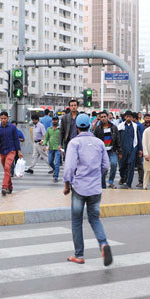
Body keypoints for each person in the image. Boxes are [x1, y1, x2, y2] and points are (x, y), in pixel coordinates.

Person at [62, 113, 112, 266]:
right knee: (95, 219)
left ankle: (79, 255)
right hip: (95, 189)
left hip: (79, 188)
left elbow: (69, 167)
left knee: (77, 221)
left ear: (77, 127)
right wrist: (97, 176)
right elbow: (106, 166)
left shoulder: (74, 143)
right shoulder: (99, 143)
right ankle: (103, 244)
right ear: (90, 126)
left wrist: (67, 185)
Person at [0, 111, 23, 196]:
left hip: (11, 150)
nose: (3, 120)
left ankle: (4, 187)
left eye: (5, 118)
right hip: (2, 151)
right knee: (6, 170)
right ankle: (10, 187)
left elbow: (16, 139)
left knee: (7, 168)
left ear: (7, 118)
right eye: (2, 118)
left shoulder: (12, 127)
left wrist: (19, 151)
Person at [93, 110, 120, 189]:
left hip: (112, 150)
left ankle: (111, 181)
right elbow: (94, 140)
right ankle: (103, 184)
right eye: (101, 117)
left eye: (105, 117)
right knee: (103, 168)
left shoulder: (113, 127)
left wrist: (119, 151)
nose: (103, 118)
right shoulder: (98, 129)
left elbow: (118, 139)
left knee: (114, 164)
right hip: (102, 152)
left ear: (107, 117)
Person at [119, 111, 142, 189]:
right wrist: (117, 149)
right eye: (127, 116)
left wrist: (140, 149)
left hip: (132, 149)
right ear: (125, 117)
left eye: (130, 117)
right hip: (123, 149)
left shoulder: (135, 126)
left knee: (131, 166)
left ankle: (129, 183)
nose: (128, 118)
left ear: (132, 118)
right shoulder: (120, 126)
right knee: (122, 166)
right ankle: (123, 177)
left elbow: (138, 138)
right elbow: (117, 138)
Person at [44, 116, 62, 182]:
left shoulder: (60, 129)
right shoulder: (49, 129)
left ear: (58, 121)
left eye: (55, 120)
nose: (54, 121)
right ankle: (55, 169)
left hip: (58, 148)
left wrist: (62, 146)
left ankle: (55, 177)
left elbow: (62, 139)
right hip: (51, 148)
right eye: (53, 120)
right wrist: (44, 144)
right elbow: (46, 138)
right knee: (50, 162)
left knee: (57, 163)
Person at [131, 113, 145, 187]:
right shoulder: (139, 125)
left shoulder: (138, 126)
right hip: (136, 147)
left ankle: (141, 181)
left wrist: (141, 148)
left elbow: (141, 137)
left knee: (139, 165)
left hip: (137, 147)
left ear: (134, 118)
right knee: (139, 165)